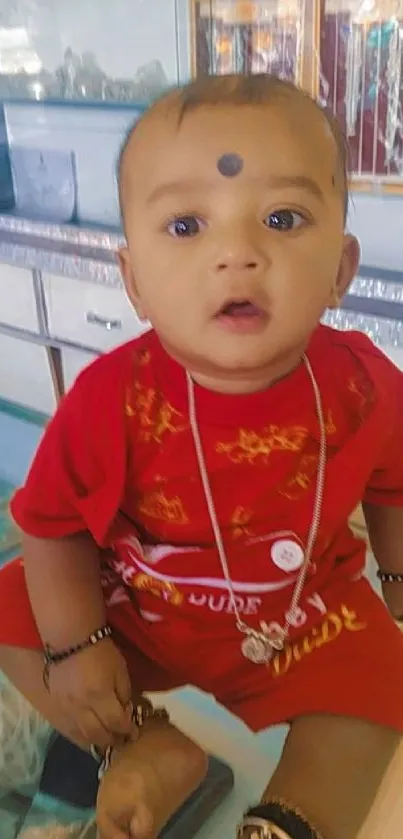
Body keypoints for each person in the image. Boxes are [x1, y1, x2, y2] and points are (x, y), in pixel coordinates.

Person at [1, 73, 403, 839]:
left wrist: (397, 580)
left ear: (341, 270)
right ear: (134, 282)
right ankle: (140, 742)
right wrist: (79, 645)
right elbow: (52, 526)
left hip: (298, 610)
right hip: (146, 607)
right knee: (19, 611)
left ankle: (285, 822)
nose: (237, 254)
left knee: (383, 681)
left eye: (281, 218)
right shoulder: (111, 398)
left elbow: (395, 485)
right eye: (186, 227)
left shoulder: (362, 386)